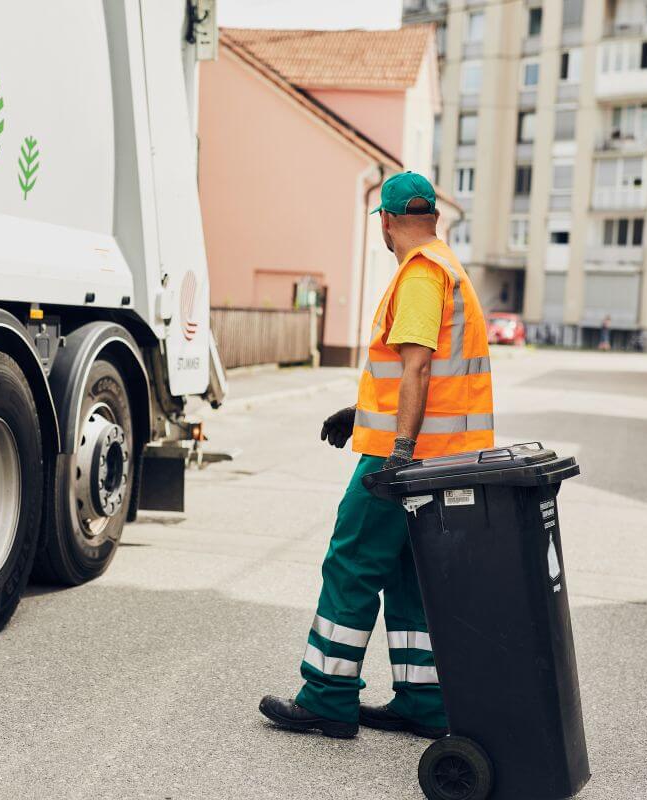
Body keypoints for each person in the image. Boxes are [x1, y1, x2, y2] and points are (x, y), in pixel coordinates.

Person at [259, 172, 494, 739]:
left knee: (352, 560)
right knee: (411, 574)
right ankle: (424, 700)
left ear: (387, 222)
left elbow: (416, 366)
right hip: (448, 459)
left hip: (408, 459)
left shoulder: (418, 275)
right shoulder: (450, 270)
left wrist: (400, 453)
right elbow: (420, 377)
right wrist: (358, 413)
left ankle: (327, 696)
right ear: (433, 217)